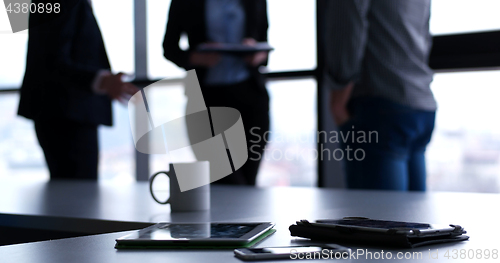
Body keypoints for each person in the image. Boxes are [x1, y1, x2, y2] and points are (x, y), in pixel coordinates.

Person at [18, 0, 138, 179]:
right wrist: (102, 81)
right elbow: (52, 59)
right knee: (77, 196)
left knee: (73, 195)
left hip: (65, 113)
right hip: (65, 116)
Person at [324, 0, 436, 191]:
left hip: (379, 103)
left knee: (376, 218)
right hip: (420, 102)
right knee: (413, 216)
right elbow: (424, 34)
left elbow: (348, 27)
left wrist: (339, 95)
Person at [163, 0, 270, 185]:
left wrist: (257, 52)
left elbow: (263, 42)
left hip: (250, 99)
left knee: (248, 182)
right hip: (207, 101)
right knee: (225, 181)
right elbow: (169, 48)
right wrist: (196, 57)